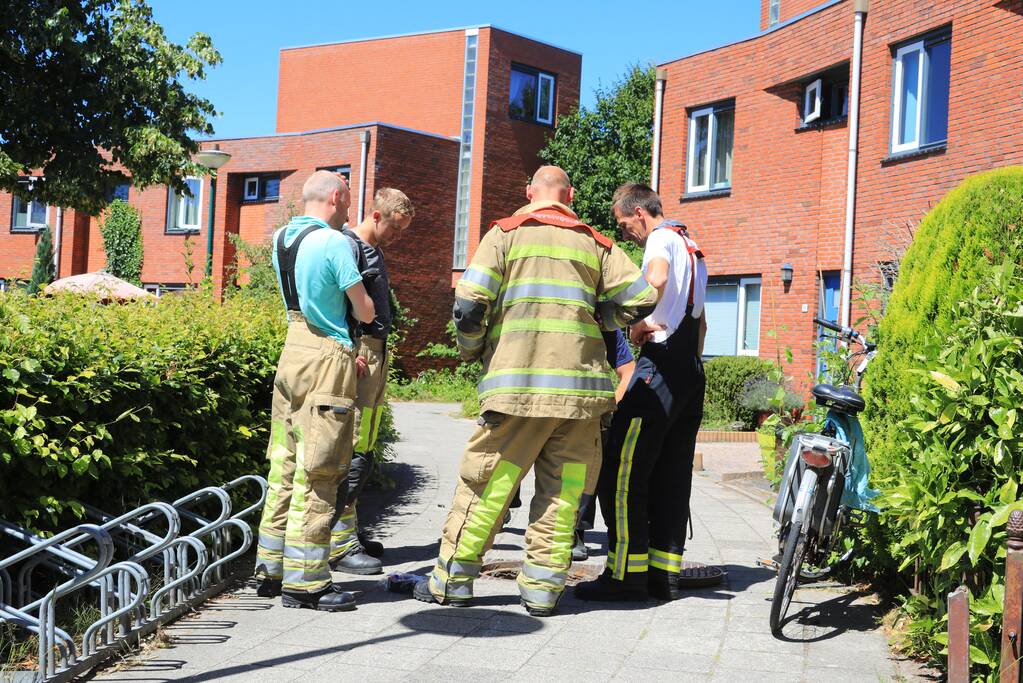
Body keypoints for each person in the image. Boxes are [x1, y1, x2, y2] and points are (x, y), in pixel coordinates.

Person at [414, 166, 658, 616]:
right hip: (581, 401)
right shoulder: (596, 243)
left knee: (491, 487)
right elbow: (642, 298)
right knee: (563, 495)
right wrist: (600, 319)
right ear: (570, 194)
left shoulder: (505, 234)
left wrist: (474, 352)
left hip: (517, 391)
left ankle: (452, 584)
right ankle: (543, 593)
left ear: (529, 193)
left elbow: (468, 307)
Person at [576, 182, 708, 603]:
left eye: (623, 224)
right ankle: (662, 574)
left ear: (638, 213)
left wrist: (632, 323)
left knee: (621, 469)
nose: (625, 233)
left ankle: (624, 575)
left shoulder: (660, 240)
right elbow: (700, 324)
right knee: (671, 473)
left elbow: (655, 281)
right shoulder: (694, 247)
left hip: (660, 367)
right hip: (691, 371)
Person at [253, 170, 376, 612]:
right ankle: (307, 583)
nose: (349, 210)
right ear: (338, 196)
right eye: (348, 200)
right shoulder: (335, 242)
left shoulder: (282, 238)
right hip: (327, 357)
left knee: (283, 462)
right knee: (321, 468)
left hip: (292, 348)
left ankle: (270, 567)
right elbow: (363, 307)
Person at [329, 188, 415, 575]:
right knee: (351, 447)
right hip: (361, 350)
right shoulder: (350, 247)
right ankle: (339, 543)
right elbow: (338, 304)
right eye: (394, 230)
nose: (396, 239)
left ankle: (351, 531)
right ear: (377, 216)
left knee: (365, 442)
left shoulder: (373, 250)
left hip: (375, 350)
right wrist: (352, 351)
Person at [573, 329, 635, 561]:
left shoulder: (605, 326)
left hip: (588, 417)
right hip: (543, 409)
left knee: (581, 472)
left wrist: (611, 406)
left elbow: (628, 370)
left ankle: (574, 531)